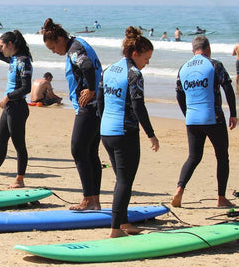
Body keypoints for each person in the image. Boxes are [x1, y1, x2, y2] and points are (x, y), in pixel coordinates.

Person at [97, 26, 159, 238]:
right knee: (124, 181)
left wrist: (103, 123)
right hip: (125, 133)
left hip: (107, 131)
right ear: (135, 54)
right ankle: (115, 229)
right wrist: (151, 134)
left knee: (121, 179)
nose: (147, 63)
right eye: (146, 58)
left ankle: (123, 223)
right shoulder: (134, 74)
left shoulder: (109, 69)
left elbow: (101, 100)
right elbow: (138, 106)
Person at [43, 18, 102, 210]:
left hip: (89, 105)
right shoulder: (79, 43)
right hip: (98, 105)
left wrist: (91, 89)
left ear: (60, 39)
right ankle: (94, 200)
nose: (54, 52)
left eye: (53, 48)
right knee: (91, 152)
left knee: (78, 150)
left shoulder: (74, 49)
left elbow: (86, 66)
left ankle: (88, 199)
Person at [172, 35, 237, 208]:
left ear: (193, 51)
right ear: (208, 49)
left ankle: (179, 189)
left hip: (192, 119)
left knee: (193, 156)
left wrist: (187, 113)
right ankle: (221, 198)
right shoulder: (214, 65)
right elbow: (228, 88)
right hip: (213, 118)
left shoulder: (183, 68)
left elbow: (179, 94)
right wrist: (233, 113)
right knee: (222, 157)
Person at [0, 30, 33, 188]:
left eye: (2, 46)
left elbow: (26, 88)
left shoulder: (23, 61)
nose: (1, 49)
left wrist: (8, 97)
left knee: (19, 144)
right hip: (10, 108)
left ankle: (20, 179)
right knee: (0, 141)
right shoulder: (13, 59)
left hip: (18, 107)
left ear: (11, 45)